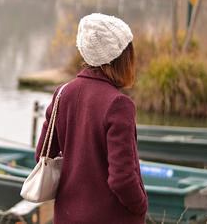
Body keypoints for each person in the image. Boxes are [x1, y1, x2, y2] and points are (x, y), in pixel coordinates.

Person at [35, 13, 148, 224]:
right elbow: (122, 178)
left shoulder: (62, 94)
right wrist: (140, 206)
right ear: (120, 57)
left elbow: (42, 155)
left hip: (66, 216)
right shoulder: (118, 104)